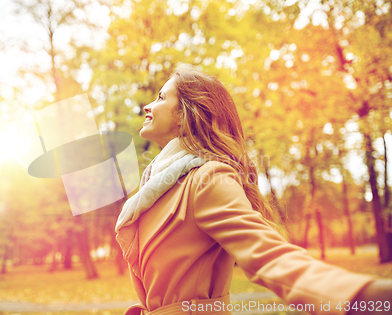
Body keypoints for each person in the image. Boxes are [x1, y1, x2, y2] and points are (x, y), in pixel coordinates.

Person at [115, 64, 392, 315]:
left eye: (162, 97)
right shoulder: (155, 187)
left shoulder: (208, 177)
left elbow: (265, 254)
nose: (148, 106)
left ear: (184, 113)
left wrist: (360, 298)